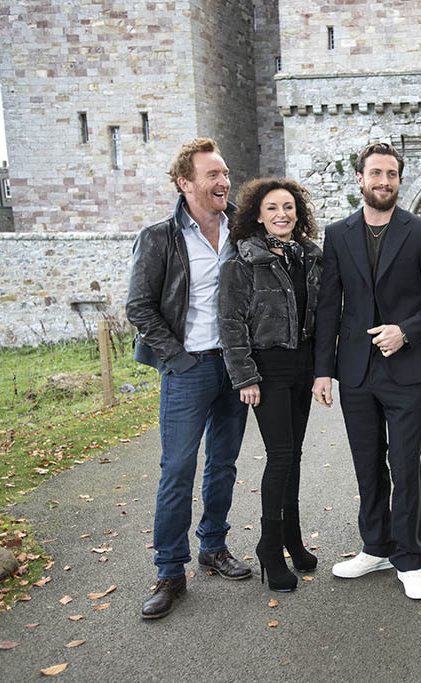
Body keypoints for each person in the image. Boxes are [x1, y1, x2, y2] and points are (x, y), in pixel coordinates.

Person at [311, 142, 421, 600]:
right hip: (354, 372)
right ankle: (374, 547)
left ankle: (409, 558)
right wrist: (322, 371)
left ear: (399, 180)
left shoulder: (420, 232)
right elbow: (329, 306)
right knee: (367, 464)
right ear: (361, 179)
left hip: (406, 370)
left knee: (405, 465)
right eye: (376, 173)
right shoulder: (337, 235)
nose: (384, 182)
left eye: (392, 174)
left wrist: (407, 331)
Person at [126, 137, 250, 620]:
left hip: (235, 367)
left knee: (224, 463)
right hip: (188, 367)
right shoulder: (159, 237)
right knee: (177, 470)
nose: (224, 181)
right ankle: (169, 571)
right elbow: (140, 306)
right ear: (186, 183)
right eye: (213, 175)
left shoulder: (243, 230)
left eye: (225, 173)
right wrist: (176, 359)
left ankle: (213, 547)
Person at [218, 178, 323, 592]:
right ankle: (269, 546)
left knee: (294, 455)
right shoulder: (243, 260)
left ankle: (293, 539)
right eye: (273, 208)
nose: (282, 214)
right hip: (267, 369)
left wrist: (318, 369)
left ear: (298, 214)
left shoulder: (308, 256)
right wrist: (244, 375)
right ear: (257, 215)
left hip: (301, 367)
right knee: (280, 455)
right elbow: (230, 322)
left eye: (289, 207)